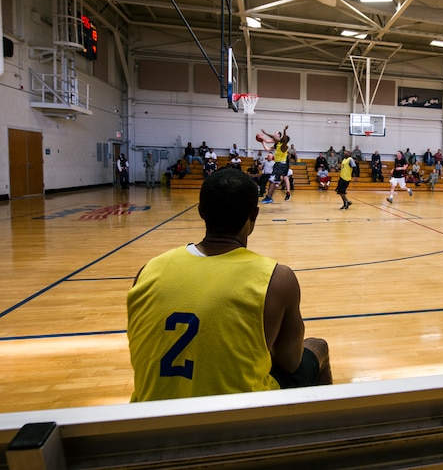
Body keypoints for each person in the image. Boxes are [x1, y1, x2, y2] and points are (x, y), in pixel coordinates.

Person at [127, 168, 332, 401]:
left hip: (147, 417)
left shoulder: (149, 270)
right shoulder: (277, 279)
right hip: (238, 419)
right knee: (318, 346)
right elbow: (291, 362)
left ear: (201, 212)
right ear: (254, 215)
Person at [259, 125, 292, 203]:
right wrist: (262, 141)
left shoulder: (285, 145)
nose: (274, 134)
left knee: (275, 180)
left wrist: (284, 130)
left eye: (276, 133)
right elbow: (267, 148)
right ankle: (270, 196)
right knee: (273, 181)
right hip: (278, 164)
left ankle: (269, 197)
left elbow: (282, 138)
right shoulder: (277, 144)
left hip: (281, 164)